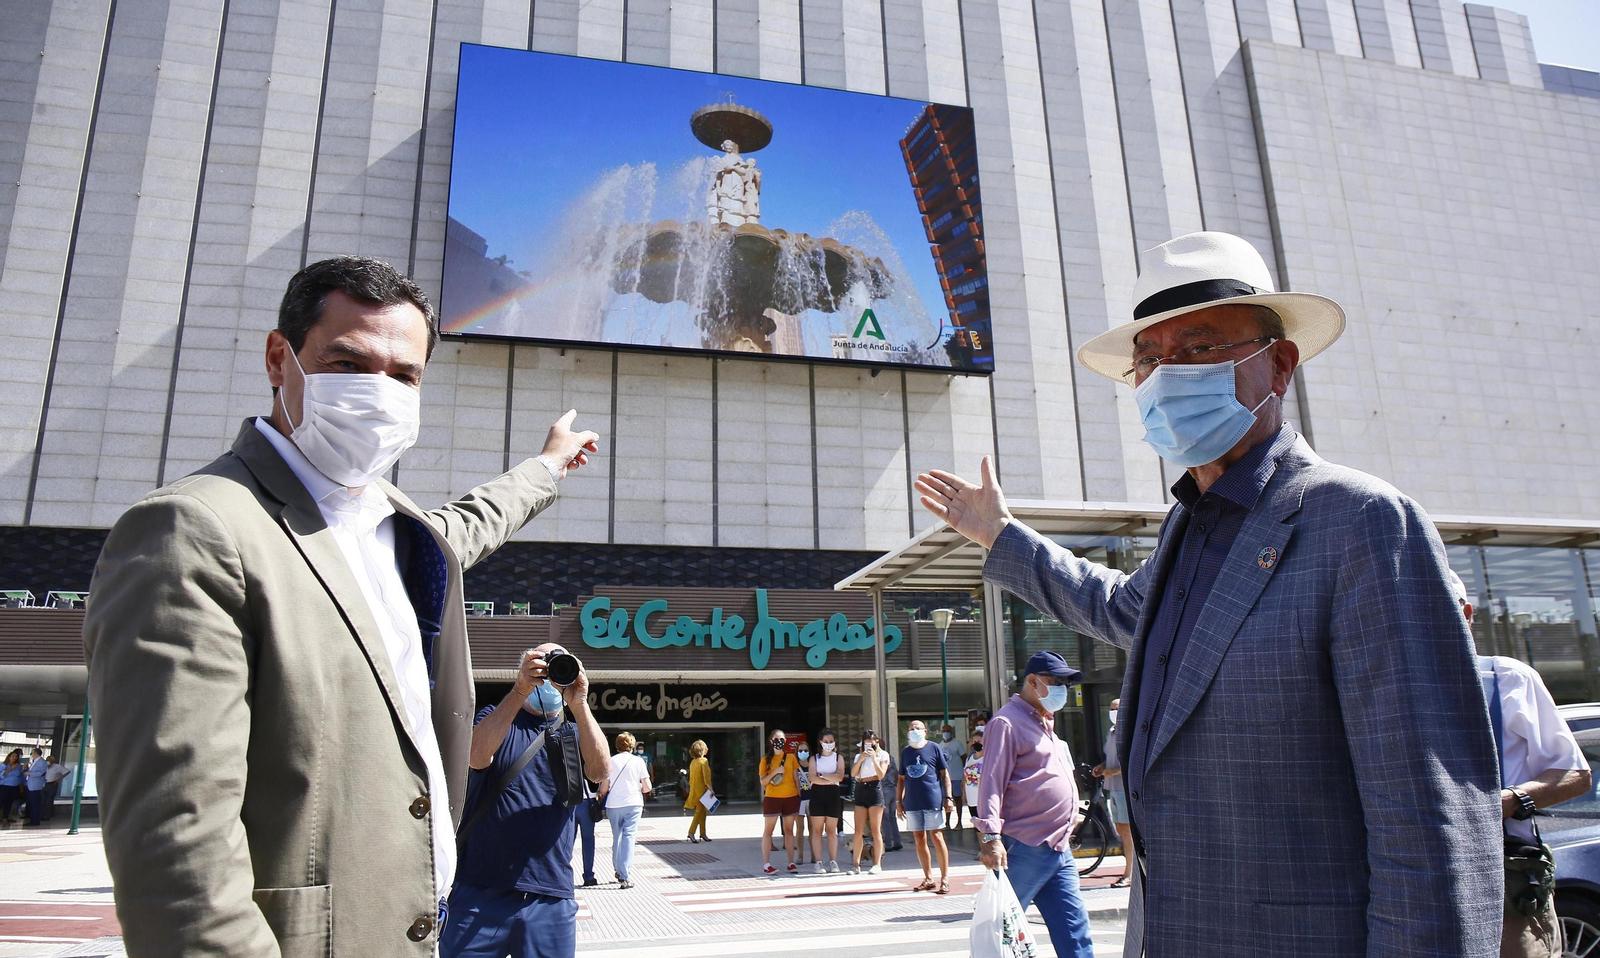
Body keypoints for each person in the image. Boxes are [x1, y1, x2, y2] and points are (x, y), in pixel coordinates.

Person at [918, 230, 1500, 958]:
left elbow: (1431, 826)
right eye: (1149, 359)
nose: (1167, 378)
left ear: (1279, 365)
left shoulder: (1360, 523)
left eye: (1198, 349)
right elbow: (1116, 607)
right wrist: (1001, 537)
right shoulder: (1186, 529)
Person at [83, 256, 601, 956]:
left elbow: (469, 523)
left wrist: (547, 466)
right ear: (280, 359)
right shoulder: (194, 528)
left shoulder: (394, 525)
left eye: (404, 375)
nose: (377, 392)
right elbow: (177, 846)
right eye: (349, 364)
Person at [1448, 571, 1591, 958]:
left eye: (1442, 610)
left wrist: (1509, 801)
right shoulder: (1384, 685)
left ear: (1467, 614)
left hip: (1506, 883)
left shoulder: (1506, 679)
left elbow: (1575, 775)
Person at [441, 644, 609, 958]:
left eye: (557, 666)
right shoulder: (497, 718)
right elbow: (476, 755)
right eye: (541, 665)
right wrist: (519, 691)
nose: (548, 675)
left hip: (549, 893)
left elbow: (599, 772)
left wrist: (580, 703)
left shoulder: (573, 732)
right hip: (480, 889)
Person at [969, 652, 1095, 958]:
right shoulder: (1006, 722)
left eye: (1065, 683)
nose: (1062, 688)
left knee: (1075, 931)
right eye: (1056, 681)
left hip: (1058, 845)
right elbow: (992, 782)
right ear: (1032, 681)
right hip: (1025, 846)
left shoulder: (1044, 721)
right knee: (1000, 932)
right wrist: (990, 837)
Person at [897, 720, 955, 894]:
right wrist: (899, 802)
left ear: (925, 731)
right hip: (912, 802)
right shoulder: (906, 752)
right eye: (911, 728)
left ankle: (944, 878)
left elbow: (944, 774)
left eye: (918, 728)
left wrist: (948, 797)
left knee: (936, 836)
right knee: (919, 838)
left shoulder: (934, 748)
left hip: (932, 799)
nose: (915, 730)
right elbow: (901, 779)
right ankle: (928, 877)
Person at [600, 733, 651, 888]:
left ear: (617, 745)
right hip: (633, 803)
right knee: (629, 837)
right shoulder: (638, 761)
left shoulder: (610, 761)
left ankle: (617, 869)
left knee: (617, 837)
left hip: (613, 804)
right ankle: (625, 875)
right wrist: (638, 786)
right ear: (632, 746)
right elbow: (647, 787)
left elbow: (604, 787)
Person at [1091, 699, 1133, 888]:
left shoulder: (1129, 732)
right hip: (1113, 788)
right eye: (1111, 709)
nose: (1113, 712)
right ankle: (1131, 869)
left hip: (1125, 788)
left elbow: (1134, 760)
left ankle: (1130, 873)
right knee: (1122, 829)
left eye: (1117, 709)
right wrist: (1102, 767)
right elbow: (1110, 758)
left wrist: (1115, 770)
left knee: (1128, 831)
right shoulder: (1111, 732)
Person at [758, 730, 801, 874]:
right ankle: (766, 864)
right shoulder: (765, 760)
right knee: (768, 831)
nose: (779, 741)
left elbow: (796, 779)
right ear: (771, 741)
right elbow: (763, 782)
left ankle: (791, 862)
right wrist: (775, 772)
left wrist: (799, 796)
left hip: (791, 796)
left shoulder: (791, 758)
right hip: (772, 797)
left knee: (789, 830)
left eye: (782, 739)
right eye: (776, 739)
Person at [849, 730, 890, 874]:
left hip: (874, 788)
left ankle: (877, 864)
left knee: (875, 829)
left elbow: (881, 774)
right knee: (858, 830)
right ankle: (856, 865)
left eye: (871, 743)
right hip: (861, 788)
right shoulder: (858, 756)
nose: (868, 746)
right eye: (866, 743)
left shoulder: (883, 755)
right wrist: (861, 759)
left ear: (876, 742)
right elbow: (853, 774)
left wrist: (873, 759)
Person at [806, 729, 845, 872]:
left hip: (833, 794)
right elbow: (813, 778)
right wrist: (830, 777)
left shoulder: (838, 758)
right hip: (817, 794)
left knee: (831, 830)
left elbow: (840, 777)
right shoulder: (814, 759)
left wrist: (822, 775)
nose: (829, 744)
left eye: (831, 741)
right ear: (821, 742)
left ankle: (833, 861)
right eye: (826, 741)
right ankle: (818, 861)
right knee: (817, 830)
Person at [937, 724, 966, 829]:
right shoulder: (940, 745)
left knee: (957, 799)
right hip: (945, 778)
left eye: (948, 731)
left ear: (951, 732)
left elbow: (964, 758)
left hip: (957, 776)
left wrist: (964, 774)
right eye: (944, 731)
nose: (946, 733)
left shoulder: (957, 744)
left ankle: (959, 822)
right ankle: (947, 823)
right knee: (946, 799)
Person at [684, 740, 712, 843]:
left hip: (695, 789)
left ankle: (703, 833)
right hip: (703, 790)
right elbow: (706, 778)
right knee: (700, 811)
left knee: (702, 811)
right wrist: (711, 789)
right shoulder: (704, 761)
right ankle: (691, 832)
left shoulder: (693, 762)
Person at [962, 726, 985, 811]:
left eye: (979, 741)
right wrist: (964, 793)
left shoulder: (988, 758)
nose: (976, 743)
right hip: (971, 798)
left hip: (984, 799)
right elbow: (965, 777)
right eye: (974, 741)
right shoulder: (969, 758)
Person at [43, 756, 71, 821]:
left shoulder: (57, 767)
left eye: (49, 760)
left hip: (52, 784)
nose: (47, 761)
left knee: (49, 801)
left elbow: (67, 771)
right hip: (46, 784)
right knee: (43, 800)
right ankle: (43, 814)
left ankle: (47, 816)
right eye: (47, 760)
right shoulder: (46, 767)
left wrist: (59, 779)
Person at [23, 747, 46, 825]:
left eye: (32, 753)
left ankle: (35, 820)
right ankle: (32, 818)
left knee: (35, 803)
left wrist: (30, 774)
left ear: (35, 753)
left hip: (36, 786)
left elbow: (42, 773)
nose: (31, 755)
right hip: (30, 785)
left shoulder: (41, 762)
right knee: (31, 803)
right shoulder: (34, 762)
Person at [0, 750, 21, 822]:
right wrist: (11, 768)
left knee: (9, 803)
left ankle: (5, 818)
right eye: (13, 756)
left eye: (16, 756)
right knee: (2, 802)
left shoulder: (18, 766)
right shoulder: (3, 765)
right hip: (5, 786)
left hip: (14, 786)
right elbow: (2, 774)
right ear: (9, 757)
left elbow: (20, 775)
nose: (14, 758)